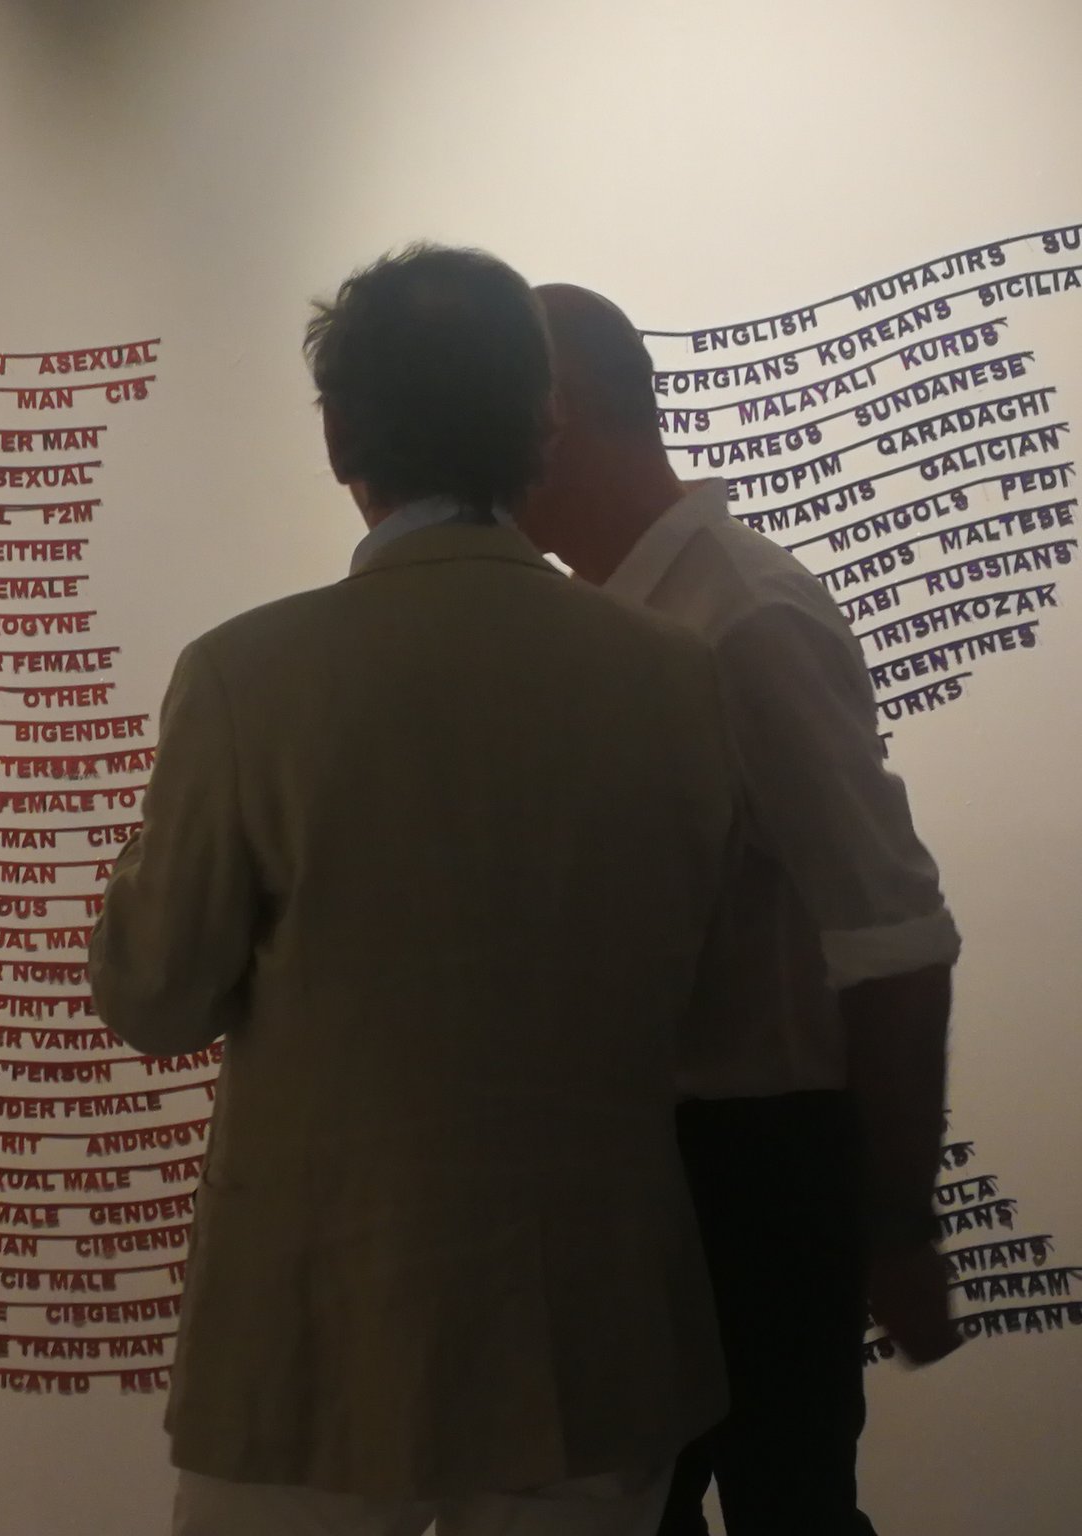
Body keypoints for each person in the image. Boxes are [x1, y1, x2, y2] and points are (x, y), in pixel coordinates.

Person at [89, 244, 743, 1536]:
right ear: (540, 428)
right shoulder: (676, 675)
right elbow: (702, 985)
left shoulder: (245, 678)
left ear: (340, 432)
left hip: (319, 1329)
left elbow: (155, 997)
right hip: (593, 1321)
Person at [515, 284, 963, 1536]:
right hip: (653, 1163)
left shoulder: (742, 619)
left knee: (785, 1510)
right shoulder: (619, 617)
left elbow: (892, 932)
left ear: (553, 413)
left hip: (755, 1171)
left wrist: (893, 1223)